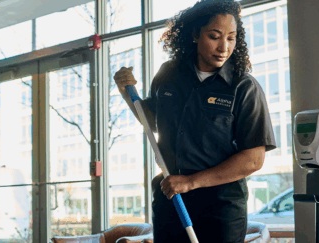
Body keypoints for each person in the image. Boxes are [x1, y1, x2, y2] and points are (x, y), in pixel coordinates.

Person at [113, 0, 276, 242]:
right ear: (195, 34)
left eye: (231, 38)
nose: (224, 47)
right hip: (171, 197)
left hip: (220, 206)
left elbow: (253, 159)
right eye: (214, 36)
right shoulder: (168, 74)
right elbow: (154, 124)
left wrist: (191, 182)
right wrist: (128, 95)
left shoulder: (243, 86)